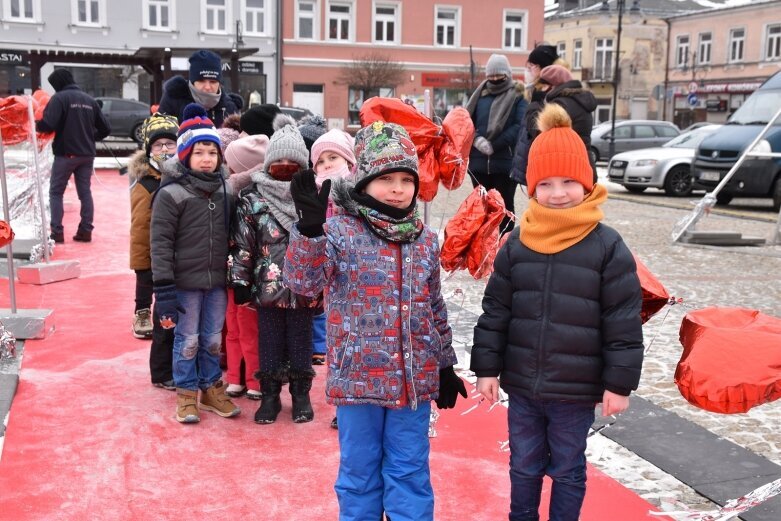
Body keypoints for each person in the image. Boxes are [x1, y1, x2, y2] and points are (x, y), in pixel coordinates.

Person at [283, 121, 467, 520]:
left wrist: (445, 362)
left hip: (412, 383)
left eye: (406, 179)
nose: (398, 188)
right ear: (363, 182)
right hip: (358, 381)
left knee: (410, 473)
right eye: (386, 179)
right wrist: (310, 233)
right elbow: (302, 283)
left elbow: (434, 306)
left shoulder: (424, 239)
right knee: (360, 474)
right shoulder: (339, 232)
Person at [470, 104, 644, 521]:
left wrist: (618, 384)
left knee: (567, 469)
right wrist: (487, 370)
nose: (558, 192)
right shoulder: (518, 242)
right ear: (532, 189)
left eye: (569, 181)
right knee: (524, 466)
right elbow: (496, 310)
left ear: (586, 183)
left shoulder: (606, 245)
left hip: (575, 391)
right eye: (545, 183)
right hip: (524, 386)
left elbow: (622, 320)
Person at [150, 103, 240, 424]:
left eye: (212, 153)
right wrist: (163, 289)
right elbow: (159, 244)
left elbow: (233, 234)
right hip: (184, 284)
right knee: (187, 340)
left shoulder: (226, 190)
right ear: (186, 154)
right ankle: (186, 393)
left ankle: (211, 388)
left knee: (212, 339)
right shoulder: (171, 193)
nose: (206, 159)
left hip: (216, 281)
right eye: (199, 152)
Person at [229, 115, 321, 425]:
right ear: (267, 164)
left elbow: (326, 240)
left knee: (300, 342)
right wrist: (239, 280)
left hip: (304, 288)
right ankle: (269, 396)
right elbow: (242, 244)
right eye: (277, 161)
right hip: (267, 289)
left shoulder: (310, 198)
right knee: (268, 342)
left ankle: (300, 394)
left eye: (292, 162)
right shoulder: (252, 200)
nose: (284, 166)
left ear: (303, 165)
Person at [128, 113, 179, 390]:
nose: (164, 150)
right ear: (149, 150)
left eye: (169, 144)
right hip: (157, 261)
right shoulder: (147, 185)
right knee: (165, 318)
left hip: (181, 259)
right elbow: (139, 230)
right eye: (158, 145)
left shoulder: (182, 176)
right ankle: (161, 371)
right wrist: (143, 268)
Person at [36, 68, 111, 243]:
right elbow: (106, 128)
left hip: (66, 154)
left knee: (56, 192)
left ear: (58, 84)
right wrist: (90, 137)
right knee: (85, 192)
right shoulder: (89, 100)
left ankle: (57, 232)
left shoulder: (59, 98)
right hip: (87, 154)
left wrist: (36, 124)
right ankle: (86, 231)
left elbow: (48, 124)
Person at [222, 134, 270, 400]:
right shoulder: (227, 191)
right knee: (233, 328)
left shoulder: (252, 197)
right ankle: (233, 377)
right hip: (229, 272)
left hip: (250, 274)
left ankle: (253, 379)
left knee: (249, 331)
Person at [308, 128, 356, 370]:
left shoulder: (359, 191)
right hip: (328, 269)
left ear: (348, 159)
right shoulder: (315, 194)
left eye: (333, 157)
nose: (326, 165)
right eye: (320, 161)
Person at [466, 53, 526, 233]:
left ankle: (503, 246)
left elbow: (519, 126)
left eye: (498, 76)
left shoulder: (518, 95)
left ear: (507, 74)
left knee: (504, 207)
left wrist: (495, 145)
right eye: (491, 76)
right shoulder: (480, 95)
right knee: (482, 208)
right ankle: (482, 248)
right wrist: (477, 139)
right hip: (478, 163)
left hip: (505, 163)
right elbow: (468, 122)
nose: (494, 79)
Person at [511, 64, 597, 187]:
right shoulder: (576, 100)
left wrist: (534, 105)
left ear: (553, 86)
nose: (541, 90)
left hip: (566, 170)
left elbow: (539, 132)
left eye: (543, 86)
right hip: (580, 166)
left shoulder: (560, 104)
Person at [157, 50, 242, 128]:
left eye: (212, 81)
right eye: (201, 81)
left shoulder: (230, 106)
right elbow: (161, 134)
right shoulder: (173, 99)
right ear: (192, 81)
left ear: (219, 83)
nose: (207, 87)